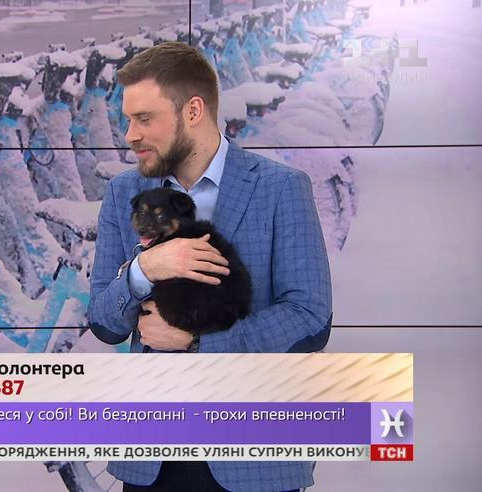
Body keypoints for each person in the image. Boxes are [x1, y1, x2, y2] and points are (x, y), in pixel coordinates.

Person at [88, 42, 332, 491]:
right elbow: (105, 323)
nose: (130, 135)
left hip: (255, 460)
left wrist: (198, 342)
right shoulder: (123, 192)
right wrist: (144, 269)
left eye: (144, 119)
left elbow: (310, 319)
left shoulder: (280, 187)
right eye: (128, 120)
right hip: (152, 461)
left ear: (193, 111)